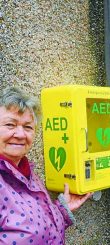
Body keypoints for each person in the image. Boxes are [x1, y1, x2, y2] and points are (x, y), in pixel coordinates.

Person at [0, 86, 92, 244]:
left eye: (28, 127)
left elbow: (38, 228)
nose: (21, 134)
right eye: (10, 125)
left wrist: (63, 210)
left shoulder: (28, 173)